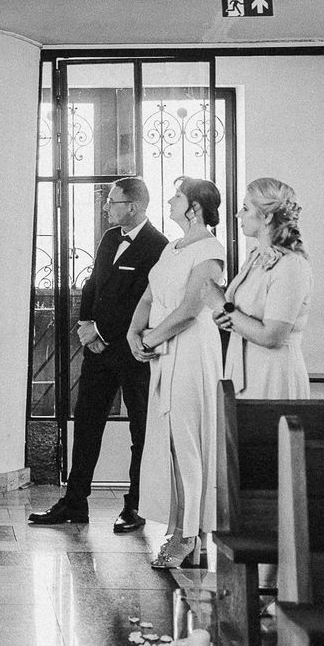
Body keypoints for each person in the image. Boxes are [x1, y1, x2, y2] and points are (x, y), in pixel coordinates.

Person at [29, 176, 168, 532]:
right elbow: (93, 284)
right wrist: (84, 324)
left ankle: (135, 506)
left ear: (132, 206)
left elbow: (142, 301)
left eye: (112, 201)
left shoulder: (159, 246)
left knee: (140, 430)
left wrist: (102, 332)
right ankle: (75, 502)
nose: (106, 207)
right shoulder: (109, 238)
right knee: (87, 422)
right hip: (98, 353)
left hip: (134, 354)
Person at [130, 176, 226, 569]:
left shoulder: (210, 250)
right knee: (169, 441)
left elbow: (190, 309)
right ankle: (181, 528)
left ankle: (190, 535)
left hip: (191, 349)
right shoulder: (173, 247)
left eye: (177, 196)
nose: (170, 201)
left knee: (186, 441)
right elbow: (150, 294)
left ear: (195, 208)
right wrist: (133, 332)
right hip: (163, 347)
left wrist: (151, 338)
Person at [207, 177, 312, 399]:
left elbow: (272, 337)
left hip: (274, 374)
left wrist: (222, 306)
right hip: (244, 370)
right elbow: (240, 315)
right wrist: (223, 317)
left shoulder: (291, 265)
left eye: (246, 208)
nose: (239, 215)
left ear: (267, 217)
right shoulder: (255, 258)